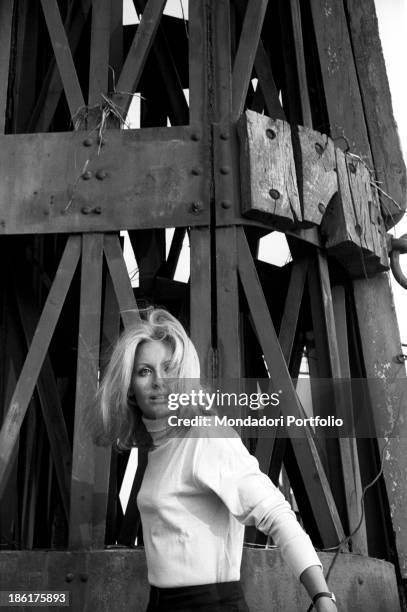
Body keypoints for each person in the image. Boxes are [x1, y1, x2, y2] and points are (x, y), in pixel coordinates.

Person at [96, 307, 337, 612]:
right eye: (145, 371)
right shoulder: (160, 447)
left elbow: (277, 513)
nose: (159, 381)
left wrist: (322, 598)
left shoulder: (205, 436)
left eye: (169, 368)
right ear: (130, 387)